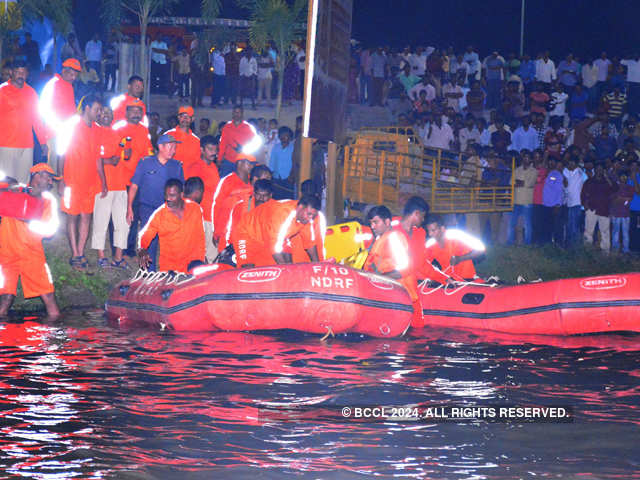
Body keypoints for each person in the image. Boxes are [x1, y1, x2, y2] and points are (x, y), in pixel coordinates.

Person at [0, 164, 61, 319]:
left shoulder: (48, 200)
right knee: (5, 298)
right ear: (36, 176)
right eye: (48, 177)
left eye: (51, 179)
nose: (50, 182)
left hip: (32, 255)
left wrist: (28, 220)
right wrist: (9, 187)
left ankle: (53, 337)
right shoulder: (15, 190)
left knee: (48, 297)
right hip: (7, 253)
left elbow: (51, 230)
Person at [57, 94, 103, 270]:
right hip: (72, 180)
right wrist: (61, 179)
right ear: (88, 108)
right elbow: (61, 153)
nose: (99, 113)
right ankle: (75, 253)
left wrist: (103, 182)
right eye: (97, 110)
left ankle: (81, 252)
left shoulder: (97, 129)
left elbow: (98, 158)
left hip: (91, 182)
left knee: (86, 217)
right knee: (72, 216)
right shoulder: (71, 126)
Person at [127, 134, 185, 270]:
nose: (173, 151)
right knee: (149, 243)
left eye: (175, 148)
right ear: (160, 147)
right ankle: (148, 273)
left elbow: (181, 190)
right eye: (171, 147)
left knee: (171, 243)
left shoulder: (176, 166)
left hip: (169, 209)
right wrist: (129, 207)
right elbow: (134, 186)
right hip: (148, 209)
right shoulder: (145, 163)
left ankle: (169, 273)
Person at [364, 205, 423, 327]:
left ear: (387, 222)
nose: (372, 226)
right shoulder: (380, 239)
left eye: (375, 222)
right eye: (371, 223)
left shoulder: (394, 238)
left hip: (406, 301)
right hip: (393, 299)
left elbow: (405, 267)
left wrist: (380, 278)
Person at [234, 194, 321, 267]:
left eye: (313, 216)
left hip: (267, 235)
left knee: (282, 267)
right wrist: (286, 271)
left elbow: (310, 245)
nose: (310, 218)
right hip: (246, 232)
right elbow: (275, 248)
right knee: (246, 269)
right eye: (309, 214)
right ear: (300, 207)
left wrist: (318, 267)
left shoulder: (307, 219)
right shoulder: (284, 214)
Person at [138, 179, 205, 272]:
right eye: (166, 195)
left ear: (181, 195)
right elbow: (144, 235)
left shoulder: (195, 209)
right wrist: (142, 249)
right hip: (171, 270)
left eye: (172, 195)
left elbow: (200, 238)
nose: (168, 199)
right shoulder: (160, 215)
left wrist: (201, 259)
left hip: (192, 265)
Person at [0, 60, 48, 184]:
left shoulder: (31, 93)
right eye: (17, 72)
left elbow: (37, 119)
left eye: (23, 72)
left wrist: (43, 142)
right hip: (6, 145)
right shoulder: (2, 91)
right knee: (6, 184)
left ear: (27, 74)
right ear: (11, 73)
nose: (21, 75)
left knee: (23, 183)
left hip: (27, 146)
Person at [39, 58, 81, 174]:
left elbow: (72, 112)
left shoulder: (69, 86)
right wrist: (60, 127)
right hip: (54, 135)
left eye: (76, 75)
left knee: (63, 170)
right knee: (53, 170)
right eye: (72, 74)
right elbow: (44, 110)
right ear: (64, 71)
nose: (74, 78)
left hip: (67, 135)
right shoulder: (53, 84)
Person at [184, 135, 221, 263]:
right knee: (208, 252)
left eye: (215, 150)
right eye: (210, 149)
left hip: (212, 215)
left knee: (212, 251)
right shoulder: (195, 168)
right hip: (202, 216)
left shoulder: (213, 167)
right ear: (202, 150)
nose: (214, 153)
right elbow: (190, 195)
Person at [424, 214, 485, 281]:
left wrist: (460, 258)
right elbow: (424, 264)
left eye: (433, 230)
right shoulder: (429, 244)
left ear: (442, 229)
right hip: (449, 281)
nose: (430, 234)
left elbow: (481, 249)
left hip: (467, 279)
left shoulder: (456, 235)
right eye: (428, 231)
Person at [211, 154, 254, 247]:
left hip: (244, 233)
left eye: (252, 164)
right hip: (227, 231)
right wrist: (215, 232)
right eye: (249, 163)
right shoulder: (227, 181)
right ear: (239, 164)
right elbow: (216, 205)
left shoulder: (252, 182)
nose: (251, 166)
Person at [581, 163, 616, 252]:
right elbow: (583, 194)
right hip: (591, 209)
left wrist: (607, 177)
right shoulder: (589, 181)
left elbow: (615, 189)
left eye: (601, 169)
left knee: (605, 232)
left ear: (603, 170)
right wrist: (585, 206)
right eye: (597, 169)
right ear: (595, 170)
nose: (599, 171)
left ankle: (605, 252)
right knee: (588, 231)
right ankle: (587, 250)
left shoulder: (607, 181)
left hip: (604, 209)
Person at [218, 105, 259, 176]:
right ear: (232, 113)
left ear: (242, 114)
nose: (236, 114)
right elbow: (222, 144)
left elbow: (256, 144)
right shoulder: (227, 127)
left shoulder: (248, 128)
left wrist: (246, 151)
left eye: (239, 112)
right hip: (228, 161)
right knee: (225, 182)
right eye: (235, 112)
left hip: (243, 162)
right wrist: (219, 159)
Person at [163, 106, 201, 170]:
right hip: (171, 176)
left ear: (192, 119)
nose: (185, 119)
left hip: (188, 177)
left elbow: (197, 163)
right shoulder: (168, 135)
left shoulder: (196, 140)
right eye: (182, 116)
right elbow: (161, 158)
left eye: (188, 116)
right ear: (178, 118)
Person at [269, 126, 295, 199]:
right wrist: (271, 174)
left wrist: (292, 176)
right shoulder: (276, 147)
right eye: (282, 135)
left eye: (286, 135)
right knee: (276, 197)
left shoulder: (293, 148)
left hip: (288, 178)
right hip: (276, 177)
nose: (284, 137)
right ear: (279, 136)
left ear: (290, 137)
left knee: (287, 198)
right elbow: (272, 161)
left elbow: (295, 163)